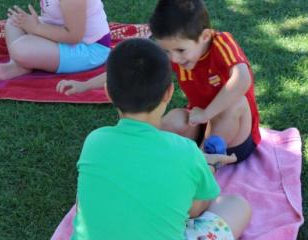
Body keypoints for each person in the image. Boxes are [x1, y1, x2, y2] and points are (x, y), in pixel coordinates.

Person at [72, 38, 251, 240]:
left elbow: (85, 203)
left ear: (108, 93)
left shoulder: (94, 142)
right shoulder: (186, 152)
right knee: (237, 205)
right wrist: (209, 167)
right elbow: (195, 210)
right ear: (169, 93)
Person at [148, 0, 260, 162]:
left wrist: (207, 113)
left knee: (236, 102)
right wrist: (94, 83)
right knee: (171, 121)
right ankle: (154, 155)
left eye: (180, 50)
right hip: (200, 123)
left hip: (235, 137)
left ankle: (203, 163)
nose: (174, 59)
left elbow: (243, 80)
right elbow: (140, 69)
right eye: (167, 51)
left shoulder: (221, 43)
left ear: (205, 36)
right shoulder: (177, 55)